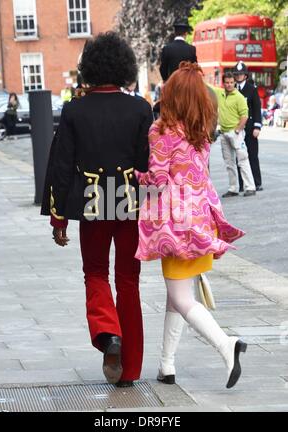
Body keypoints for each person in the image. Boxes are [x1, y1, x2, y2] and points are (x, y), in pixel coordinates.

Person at [41, 32, 153, 387]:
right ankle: (130, 370)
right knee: (129, 283)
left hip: (92, 201)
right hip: (130, 202)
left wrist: (58, 216)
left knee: (95, 274)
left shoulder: (75, 109)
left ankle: (108, 334)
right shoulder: (140, 108)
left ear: (89, 68)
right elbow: (147, 163)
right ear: (124, 67)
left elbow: (61, 165)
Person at [134, 62, 247, 389]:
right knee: (177, 293)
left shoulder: (161, 131)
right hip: (202, 220)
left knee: (182, 298)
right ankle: (166, 365)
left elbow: (157, 179)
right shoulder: (200, 131)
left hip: (175, 225)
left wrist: (133, 175)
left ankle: (226, 345)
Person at [211, 72, 256, 197]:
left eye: (231, 82)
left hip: (236, 133)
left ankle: (250, 187)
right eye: (227, 82)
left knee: (242, 160)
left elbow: (245, 116)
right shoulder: (219, 93)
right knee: (229, 163)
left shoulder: (239, 97)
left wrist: (237, 130)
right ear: (223, 83)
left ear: (234, 82)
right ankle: (233, 188)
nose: (229, 85)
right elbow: (207, 87)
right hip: (224, 133)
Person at [233, 62, 263, 192]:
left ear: (246, 75)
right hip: (237, 128)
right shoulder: (233, 89)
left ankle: (257, 182)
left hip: (250, 127)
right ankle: (241, 184)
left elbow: (257, 109)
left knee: (252, 155)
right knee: (239, 156)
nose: (239, 76)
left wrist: (257, 126)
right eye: (237, 74)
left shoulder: (252, 89)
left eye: (241, 74)